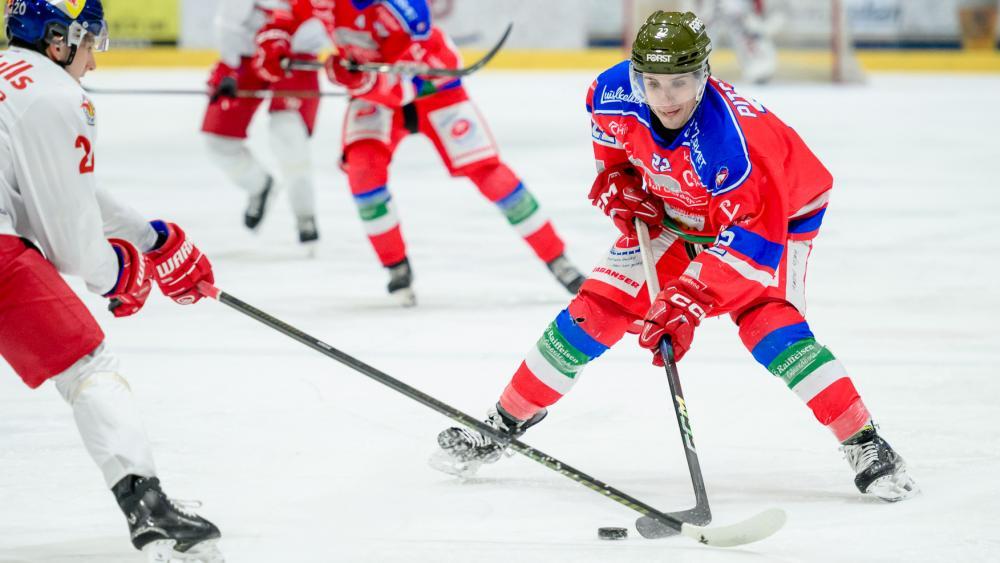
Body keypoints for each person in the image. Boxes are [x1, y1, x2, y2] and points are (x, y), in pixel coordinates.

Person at [431, 11, 918, 502]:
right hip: (683, 208)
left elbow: (751, 242)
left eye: (681, 83)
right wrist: (621, 187)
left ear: (704, 75)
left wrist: (688, 298)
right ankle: (502, 422)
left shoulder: (734, 145)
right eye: (655, 83)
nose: (667, 99)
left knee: (767, 323)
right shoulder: (613, 94)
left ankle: (866, 442)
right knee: (592, 312)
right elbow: (618, 162)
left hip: (776, 214)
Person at [1, 1, 224, 559]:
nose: (93, 63)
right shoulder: (57, 95)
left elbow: (43, 190)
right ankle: (145, 504)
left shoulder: (15, 81)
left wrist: (151, 237)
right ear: (59, 40)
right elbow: (70, 241)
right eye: (90, 44)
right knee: (88, 367)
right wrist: (123, 274)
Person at [323, 0, 585, 305]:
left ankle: (557, 259)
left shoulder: (405, 9)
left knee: (489, 174)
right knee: (363, 172)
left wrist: (361, 79)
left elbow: (405, 85)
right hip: (374, 88)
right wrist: (274, 47)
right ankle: (396, 266)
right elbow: (286, 18)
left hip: (432, 85)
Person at [201, 0, 332, 249]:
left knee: (288, 132)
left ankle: (305, 214)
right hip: (245, 57)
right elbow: (229, 21)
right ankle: (259, 186)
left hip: (294, 58)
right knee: (218, 142)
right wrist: (230, 66)